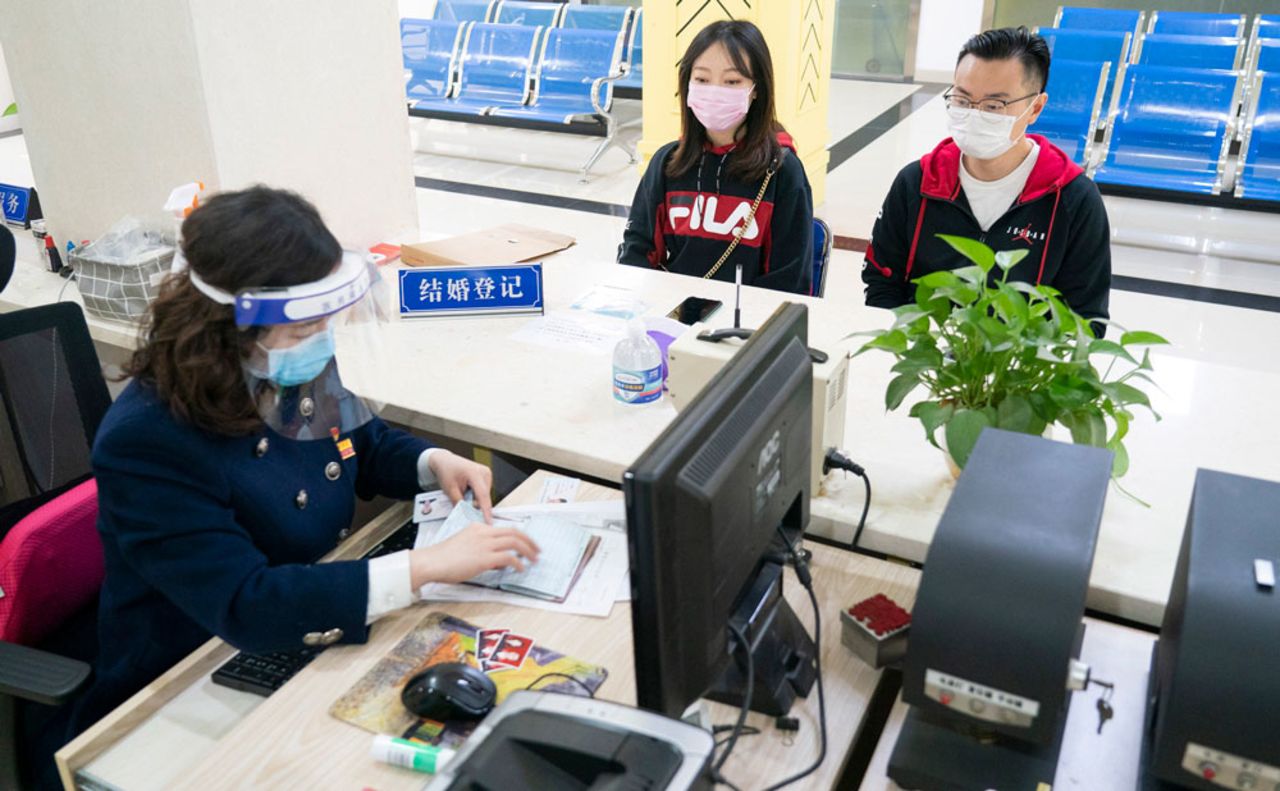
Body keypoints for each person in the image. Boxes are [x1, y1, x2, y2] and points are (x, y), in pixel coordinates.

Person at [39, 187, 540, 782]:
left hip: (312, 611)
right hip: (192, 676)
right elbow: (245, 604)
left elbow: (359, 441)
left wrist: (432, 463)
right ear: (230, 323)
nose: (323, 337)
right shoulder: (147, 440)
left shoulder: (281, 358)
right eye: (308, 324)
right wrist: (424, 567)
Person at [862, 26, 1111, 332]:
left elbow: (1085, 321)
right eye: (963, 100)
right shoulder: (918, 183)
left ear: (1035, 108)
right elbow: (881, 283)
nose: (974, 114)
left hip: (1018, 370)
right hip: (925, 359)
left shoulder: (1072, 199)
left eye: (994, 106)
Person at [618, 20, 814, 295]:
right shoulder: (667, 163)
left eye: (732, 81)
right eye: (701, 79)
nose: (715, 90)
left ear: (756, 88)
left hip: (745, 326)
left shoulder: (782, 170)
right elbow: (636, 253)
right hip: (672, 317)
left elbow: (789, 280)